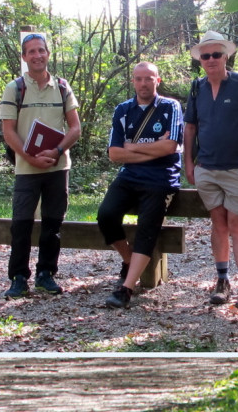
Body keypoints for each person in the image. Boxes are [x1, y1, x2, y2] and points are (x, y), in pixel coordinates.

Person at [183, 30, 238, 310]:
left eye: (216, 54)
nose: (211, 59)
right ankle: (222, 281)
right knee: (217, 223)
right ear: (201, 61)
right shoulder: (197, 87)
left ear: (226, 56)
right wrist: (189, 163)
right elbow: (190, 127)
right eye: (205, 56)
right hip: (207, 167)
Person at [0, 32, 81, 298]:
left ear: (48, 53)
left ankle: (46, 274)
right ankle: (19, 277)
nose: (37, 55)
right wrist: (31, 157)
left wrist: (58, 150)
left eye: (41, 50)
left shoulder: (61, 86)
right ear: (24, 57)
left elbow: (75, 127)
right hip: (27, 168)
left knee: (52, 224)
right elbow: (9, 132)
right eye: (31, 51)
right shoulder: (15, 88)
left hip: (58, 168)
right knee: (21, 224)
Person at [97, 61, 183, 310]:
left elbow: (170, 147)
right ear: (133, 81)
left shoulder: (170, 107)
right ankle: (128, 260)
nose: (144, 83)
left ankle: (126, 289)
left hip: (161, 178)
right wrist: (152, 150)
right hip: (129, 176)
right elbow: (114, 154)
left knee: (147, 227)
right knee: (106, 215)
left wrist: (132, 147)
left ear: (158, 80)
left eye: (149, 78)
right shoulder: (123, 110)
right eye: (139, 78)